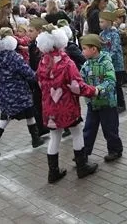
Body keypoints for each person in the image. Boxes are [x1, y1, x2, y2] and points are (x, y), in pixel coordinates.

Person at [36, 24, 99, 183]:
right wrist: (94, 91)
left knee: (54, 136)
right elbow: (77, 86)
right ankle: (82, 166)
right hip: (67, 106)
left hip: (49, 106)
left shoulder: (42, 62)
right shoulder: (66, 62)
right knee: (77, 132)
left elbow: (39, 83)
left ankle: (53, 172)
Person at [0, 28, 44, 157]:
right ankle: (35, 139)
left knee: (5, 118)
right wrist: (37, 76)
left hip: (4, 91)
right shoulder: (13, 56)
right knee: (29, 113)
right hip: (19, 91)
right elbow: (26, 71)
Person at [79, 34, 123, 162]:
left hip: (107, 103)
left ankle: (115, 150)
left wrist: (99, 89)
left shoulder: (106, 62)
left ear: (94, 49)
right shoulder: (86, 64)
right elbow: (80, 79)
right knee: (89, 129)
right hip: (93, 103)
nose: (82, 51)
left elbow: (110, 80)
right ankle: (83, 153)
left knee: (110, 128)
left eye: (84, 48)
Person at [26, 18, 50, 137]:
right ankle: (41, 127)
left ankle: (66, 125)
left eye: (31, 31)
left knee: (51, 102)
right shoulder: (32, 45)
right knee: (37, 103)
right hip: (36, 78)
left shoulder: (46, 46)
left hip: (46, 79)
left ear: (39, 31)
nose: (28, 33)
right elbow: (32, 63)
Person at [99, 11, 126, 113]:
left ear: (109, 22)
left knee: (117, 85)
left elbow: (114, 49)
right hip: (107, 64)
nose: (100, 24)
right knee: (110, 83)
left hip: (116, 64)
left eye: (102, 22)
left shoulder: (115, 34)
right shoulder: (101, 34)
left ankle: (121, 104)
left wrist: (106, 58)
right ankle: (112, 102)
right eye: (100, 22)